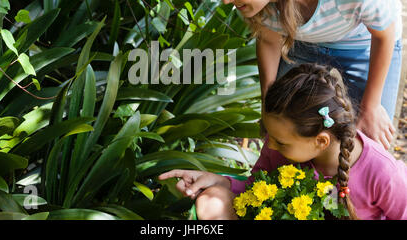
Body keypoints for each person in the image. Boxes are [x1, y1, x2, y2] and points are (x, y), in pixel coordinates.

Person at [206, 0, 403, 150]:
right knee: (282, 130)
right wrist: (268, 106)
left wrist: (371, 106)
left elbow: (384, 33)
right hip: (304, 43)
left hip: (366, 44)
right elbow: (269, 41)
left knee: (370, 141)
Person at [158, 64, 407, 220]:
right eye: (270, 136)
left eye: (280, 142)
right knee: (212, 201)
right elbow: (255, 188)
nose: (271, 146)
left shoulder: (383, 173)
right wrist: (218, 181)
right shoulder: (279, 146)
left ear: (320, 141)